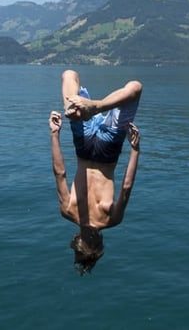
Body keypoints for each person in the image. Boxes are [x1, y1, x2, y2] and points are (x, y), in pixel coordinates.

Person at [49, 69, 142, 274]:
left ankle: (96, 107)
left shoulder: (112, 220)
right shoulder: (67, 211)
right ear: (76, 240)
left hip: (108, 150)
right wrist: (55, 134)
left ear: (100, 244)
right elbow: (59, 172)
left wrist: (134, 151)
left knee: (135, 88)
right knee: (69, 75)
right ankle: (91, 108)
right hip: (83, 146)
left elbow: (127, 187)